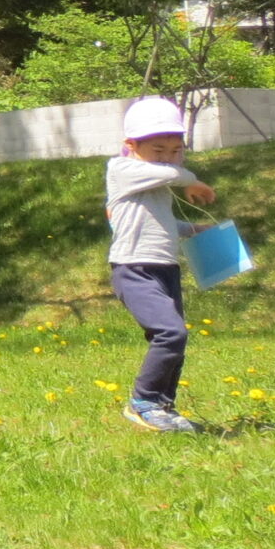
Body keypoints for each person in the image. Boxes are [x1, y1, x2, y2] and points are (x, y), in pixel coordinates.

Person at [105, 95, 216, 434]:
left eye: (176, 149)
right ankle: (144, 401)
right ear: (131, 146)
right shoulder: (122, 169)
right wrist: (190, 177)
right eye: (158, 150)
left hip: (165, 267)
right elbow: (174, 174)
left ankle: (163, 408)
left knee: (175, 341)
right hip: (133, 269)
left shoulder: (158, 185)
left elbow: (160, 223)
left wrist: (194, 230)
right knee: (171, 332)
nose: (168, 157)